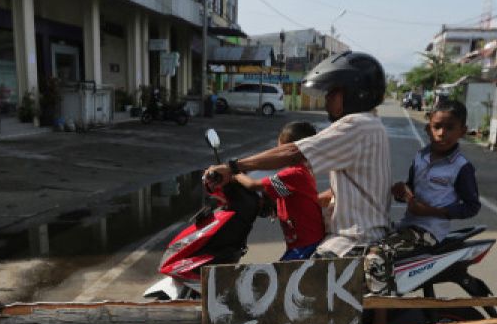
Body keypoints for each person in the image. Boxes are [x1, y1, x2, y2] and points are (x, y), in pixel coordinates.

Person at [204, 51, 390, 260]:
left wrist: (233, 168)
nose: (327, 97)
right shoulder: (371, 125)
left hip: (353, 240)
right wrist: (276, 204)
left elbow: (292, 153)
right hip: (351, 235)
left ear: (356, 92)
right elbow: (339, 188)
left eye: (333, 91)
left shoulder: (357, 125)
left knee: (285, 285)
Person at [228, 120, 324, 260]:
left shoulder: (293, 174)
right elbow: (283, 191)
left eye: (279, 151)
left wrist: (234, 172)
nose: (276, 156)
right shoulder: (302, 171)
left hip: (306, 244)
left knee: (282, 278)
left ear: (291, 150)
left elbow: (253, 185)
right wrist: (271, 202)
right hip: (304, 240)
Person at [391, 97, 480, 244]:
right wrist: (402, 192)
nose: (441, 133)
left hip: (430, 233)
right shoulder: (420, 156)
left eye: (450, 128)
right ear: (427, 129)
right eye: (436, 127)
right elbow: (411, 188)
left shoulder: (461, 167)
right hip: (407, 224)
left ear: (462, 131)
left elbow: (472, 206)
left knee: (382, 255)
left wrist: (431, 211)